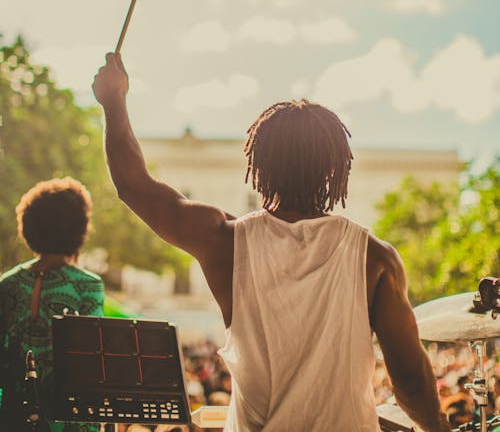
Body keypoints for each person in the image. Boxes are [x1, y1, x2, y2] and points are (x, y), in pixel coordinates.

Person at [93, 53, 452, 432]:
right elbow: (410, 381)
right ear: (334, 168)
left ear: (259, 164)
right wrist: (441, 427)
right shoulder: (375, 258)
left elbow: (133, 184)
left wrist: (114, 100)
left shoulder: (224, 241)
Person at [0, 178, 105, 431]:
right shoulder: (87, 285)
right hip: (70, 421)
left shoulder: (7, 283)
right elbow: (94, 366)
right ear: (78, 229)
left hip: (13, 417)